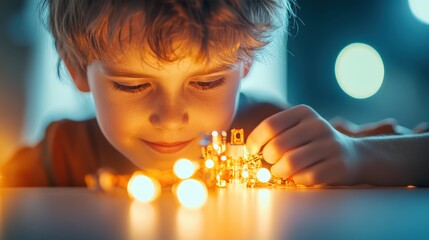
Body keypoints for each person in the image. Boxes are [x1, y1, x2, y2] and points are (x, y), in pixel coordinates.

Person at [1, 0, 428, 188]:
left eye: (206, 82)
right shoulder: (63, 154)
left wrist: (357, 157)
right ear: (77, 68)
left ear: (244, 63)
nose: (171, 118)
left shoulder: (272, 142)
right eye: (132, 84)